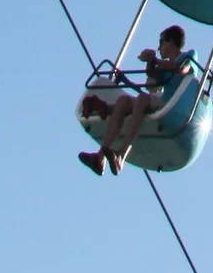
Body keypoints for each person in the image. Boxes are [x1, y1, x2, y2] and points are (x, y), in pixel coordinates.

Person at [78, 26, 195, 173]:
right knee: (123, 101)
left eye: (161, 42)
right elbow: (153, 76)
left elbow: (181, 68)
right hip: (163, 103)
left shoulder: (189, 56)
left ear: (170, 42)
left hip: (176, 107)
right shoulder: (166, 67)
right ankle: (100, 158)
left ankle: (121, 155)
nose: (158, 47)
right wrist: (149, 61)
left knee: (142, 100)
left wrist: (156, 61)